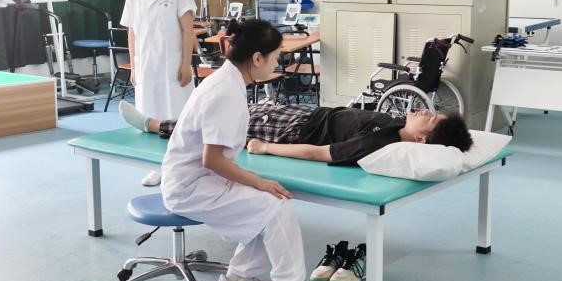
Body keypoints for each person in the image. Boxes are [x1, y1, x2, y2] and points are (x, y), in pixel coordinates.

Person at [160, 19, 334, 281]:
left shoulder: (227, 81)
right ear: (257, 58)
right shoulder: (225, 92)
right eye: (276, 56)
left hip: (198, 179)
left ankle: (237, 280)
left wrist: (255, 184)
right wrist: (256, 181)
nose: (277, 62)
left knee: (266, 206)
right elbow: (212, 159)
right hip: (191, 187)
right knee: (276, 207)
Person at [120, 102, 473, 167]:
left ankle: (155, 125)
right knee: (232, 108)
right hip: (304, 114)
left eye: (430, 118)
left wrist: (266, 148)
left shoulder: (382, 144)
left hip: (291, 130)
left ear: (422, 140)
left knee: (222, 123)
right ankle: (170, 128)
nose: (424, 111)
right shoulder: (397, 125)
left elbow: (321, 153)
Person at [120, 0, 197, 187]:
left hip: (173, 67)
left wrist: (186, 64)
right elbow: (132, 33)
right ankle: (157, 167)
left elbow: (188, 31)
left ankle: (183, 169)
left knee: (178, 118)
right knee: (149, 118)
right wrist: (133, 66)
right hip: (145, 67)